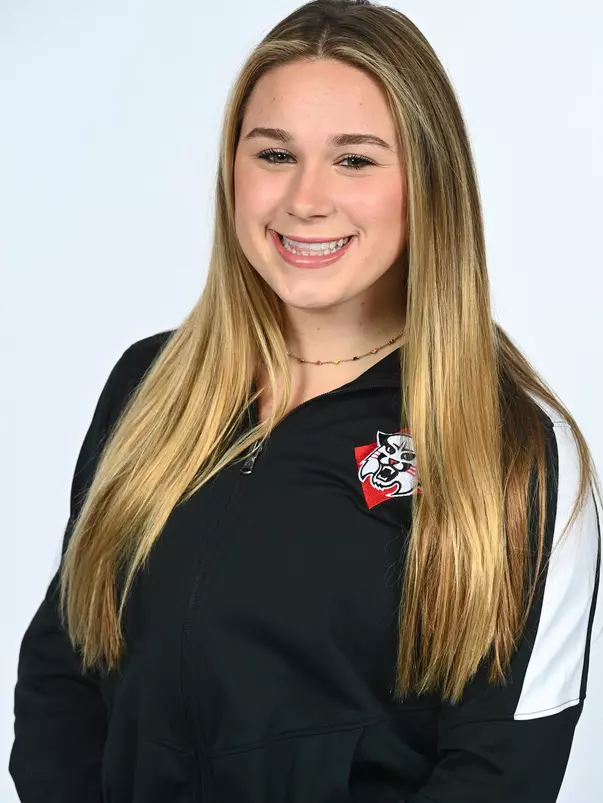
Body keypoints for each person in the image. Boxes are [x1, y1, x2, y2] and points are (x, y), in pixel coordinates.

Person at [9, 1, 601, 801]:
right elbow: (64, 674)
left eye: (354, 160)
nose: (304, 199)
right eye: (274, 153)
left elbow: (501, 768)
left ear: (427, 180)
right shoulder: (150, 386)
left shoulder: (512, 446)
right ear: (232, 169)